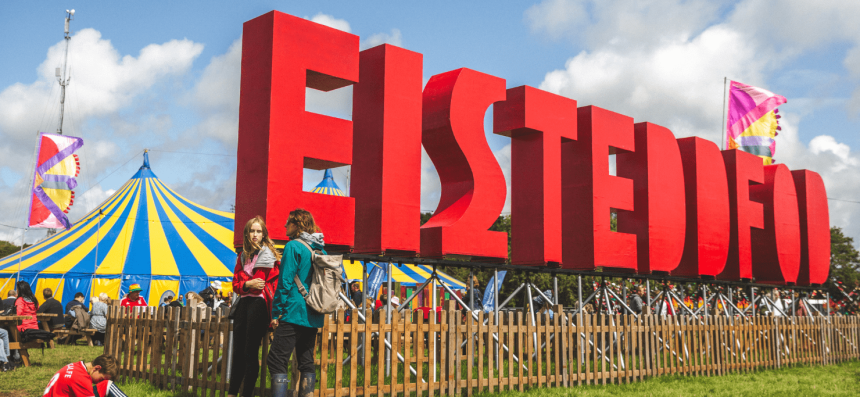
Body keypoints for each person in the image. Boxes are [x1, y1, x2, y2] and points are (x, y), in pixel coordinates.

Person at [269, 209, 325, 397]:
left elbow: (284, 282)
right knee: (306, 361)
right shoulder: (320, 248)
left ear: (297, 224)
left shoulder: (293, 246)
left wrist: (276, 313)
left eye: (288, 222)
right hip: (314, 313)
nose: (285, 226)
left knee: (276, 360)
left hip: (293, 311)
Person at [228, 216, 281, 397]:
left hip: (259, 304)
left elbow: (260, 282)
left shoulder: (267, 255)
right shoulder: (242, 256)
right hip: (244, 303)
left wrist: (245, 283)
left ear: (264, 233)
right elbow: (235, 284)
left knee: (250, 353)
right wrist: (247, 285)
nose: (255, 234)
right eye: (252, 231)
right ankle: (232, 393)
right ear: (247, 233)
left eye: (259, 231)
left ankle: (246, 394)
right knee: (238, 352)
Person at [42, 354, 119, 397]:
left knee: (106, 385)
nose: (100, 382)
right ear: (97, 368)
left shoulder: (77, 366)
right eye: (101, 379)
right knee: (108, 385)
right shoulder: (82, 379)